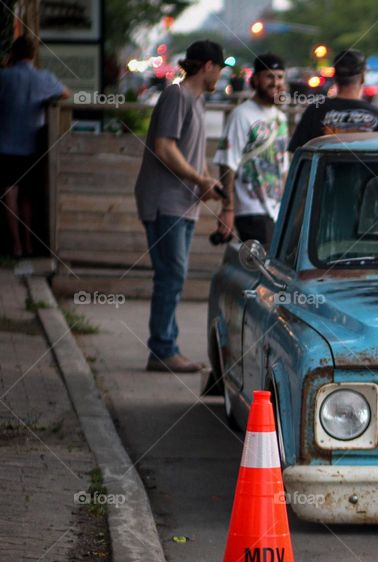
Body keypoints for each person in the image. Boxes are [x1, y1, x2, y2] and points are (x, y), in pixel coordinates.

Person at [134, 40, 226, 373]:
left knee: (174, 276)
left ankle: (166, 347)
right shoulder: (176, 95)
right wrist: (199, 180)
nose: (220, 76)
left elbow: (192, 155)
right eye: (219, 69)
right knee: (170, 276)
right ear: (208, 66)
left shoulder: (197, 102)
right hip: (164, 202)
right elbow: (164, 148)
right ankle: (162, 350)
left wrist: (206, 181)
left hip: (183, 203)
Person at [0, 36, 70, 258]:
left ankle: (15, 245)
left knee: (9, 192)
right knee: (27, 196)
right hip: (32, 145)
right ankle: (30, 243)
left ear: (13, 54)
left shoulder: (5, 76)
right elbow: (65, 94)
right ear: (33, 55)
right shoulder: (44, 78)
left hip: (5, 144)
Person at [213, 53, 289, 246]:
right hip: (251, 210)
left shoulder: (281, 118)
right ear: (254, 79)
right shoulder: (241, 115)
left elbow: (284, 167)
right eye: (269, 76)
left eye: (280, 77)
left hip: (278, 212)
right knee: (262, 269)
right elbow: (227, 163)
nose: (276, 82)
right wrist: (228, 209)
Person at [287, 49, 378, 152]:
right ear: (362, 77)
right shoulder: (377, 115)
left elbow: (297, 154)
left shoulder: (314, 111)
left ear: (335, 77)